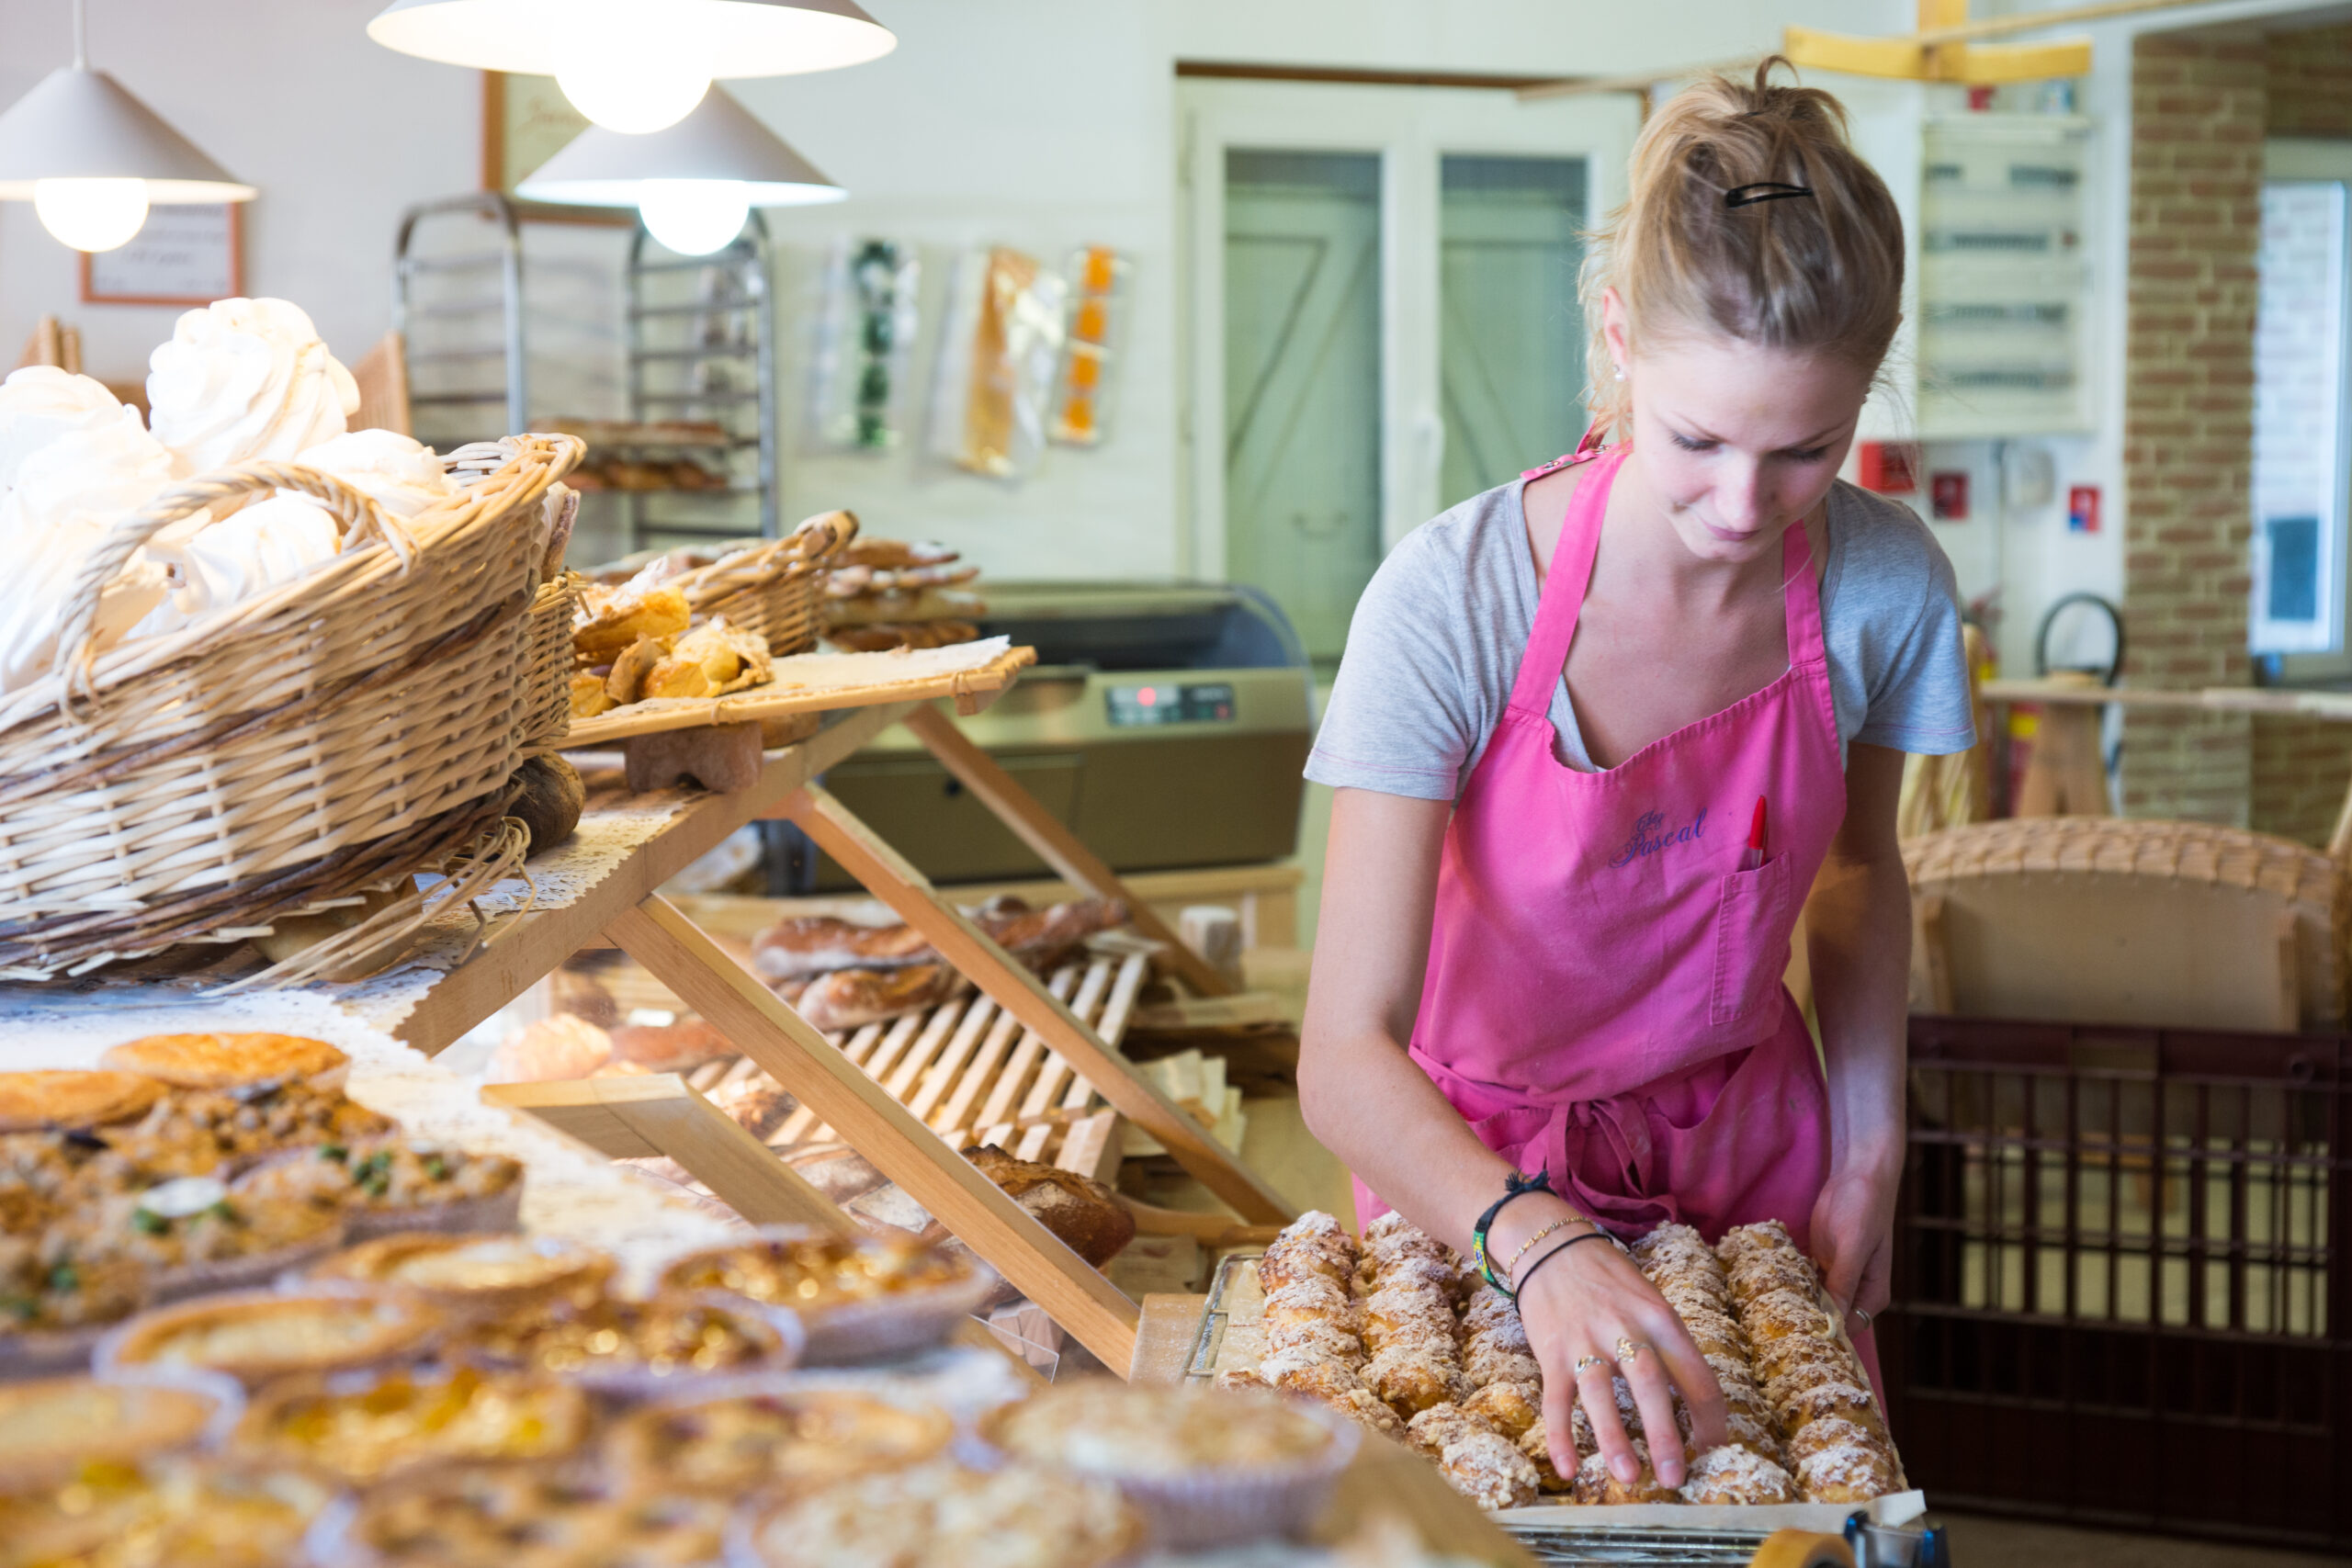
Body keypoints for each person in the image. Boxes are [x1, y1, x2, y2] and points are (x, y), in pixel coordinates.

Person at [1296, 59, 1973, 1491]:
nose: (1745, 504)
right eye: (1697, 440)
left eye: (1808, 449)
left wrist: (1869, 1148)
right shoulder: (1455, 599)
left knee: (1780, 1509)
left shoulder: (1882, 584)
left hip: (1750, 1147)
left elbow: (1857, 875)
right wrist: (1536, 1240)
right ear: (1618, 338)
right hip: (1468, 1175)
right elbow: (1343, 1054)